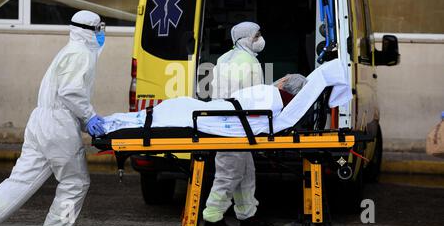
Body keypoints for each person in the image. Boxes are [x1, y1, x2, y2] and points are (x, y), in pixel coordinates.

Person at [0, 10, 106, 226]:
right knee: (76, 183)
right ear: (90, 31)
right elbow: (70, 92)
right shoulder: (81, 53)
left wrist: (85, 120)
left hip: (41, 123)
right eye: (99, 29)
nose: (102, 34)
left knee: (19, 181)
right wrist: (89, 116)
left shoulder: (68, 50)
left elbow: (61, 93)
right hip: (58, 127)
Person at [202, 21, 275, 226]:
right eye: (256, 36)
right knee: (229, 173)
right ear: (245, 39)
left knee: (245, 171)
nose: (259, 40)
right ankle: (212, 219)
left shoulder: (224, 58)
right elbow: (255, 97)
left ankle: (247, 215)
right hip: (239, 125)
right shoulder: (249, 61)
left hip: (226, 123)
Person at [101, 75, 308, 136]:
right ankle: (111, 123)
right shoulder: (274, 99)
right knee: (175, 107)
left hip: (214, 114)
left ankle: (110, 124)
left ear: (284, 84)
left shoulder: (271, 95)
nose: (280, 78)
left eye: (284, 77)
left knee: (171, 112)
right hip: (218, 110)